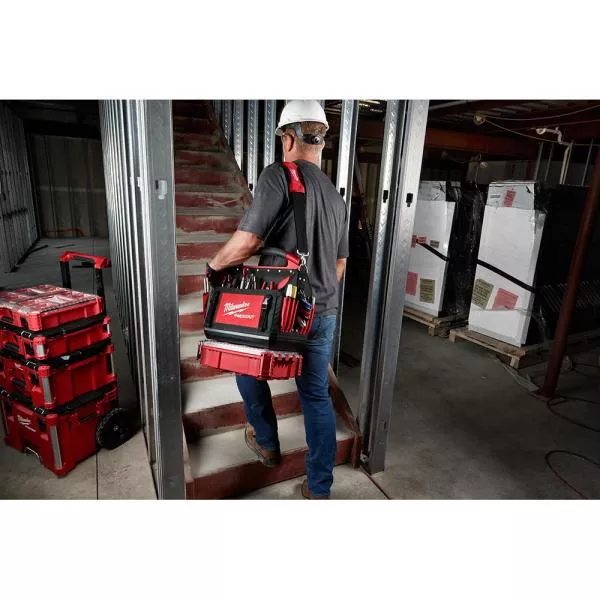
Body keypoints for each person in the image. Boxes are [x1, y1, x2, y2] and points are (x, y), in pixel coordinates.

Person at [206, 100, 348, 499]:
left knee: (246, 367)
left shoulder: (278, 175)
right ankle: (319, 488)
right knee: (316, 397)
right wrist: (316, 295)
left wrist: (215, 266)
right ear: (321, 141)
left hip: (280, 311)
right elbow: (339, 264)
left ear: (287, 139)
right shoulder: (335, 197)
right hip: (323, 311)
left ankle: (267, 442)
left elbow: (248, 241)